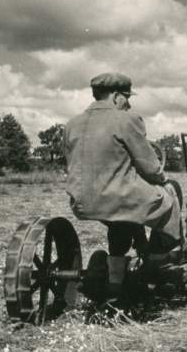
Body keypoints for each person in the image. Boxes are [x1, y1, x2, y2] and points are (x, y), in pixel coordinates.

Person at [64, 72, 181, 300]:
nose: (129, 103)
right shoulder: (127, 120)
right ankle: (162, 262)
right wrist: (162, 180)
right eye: (127, 98)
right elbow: (150, 167)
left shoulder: (72, 124)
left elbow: (70, 162)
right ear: (117, 96)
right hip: (120, 197)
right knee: (170, 194)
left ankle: (115, 284)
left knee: (120, 223)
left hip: (82, 202)